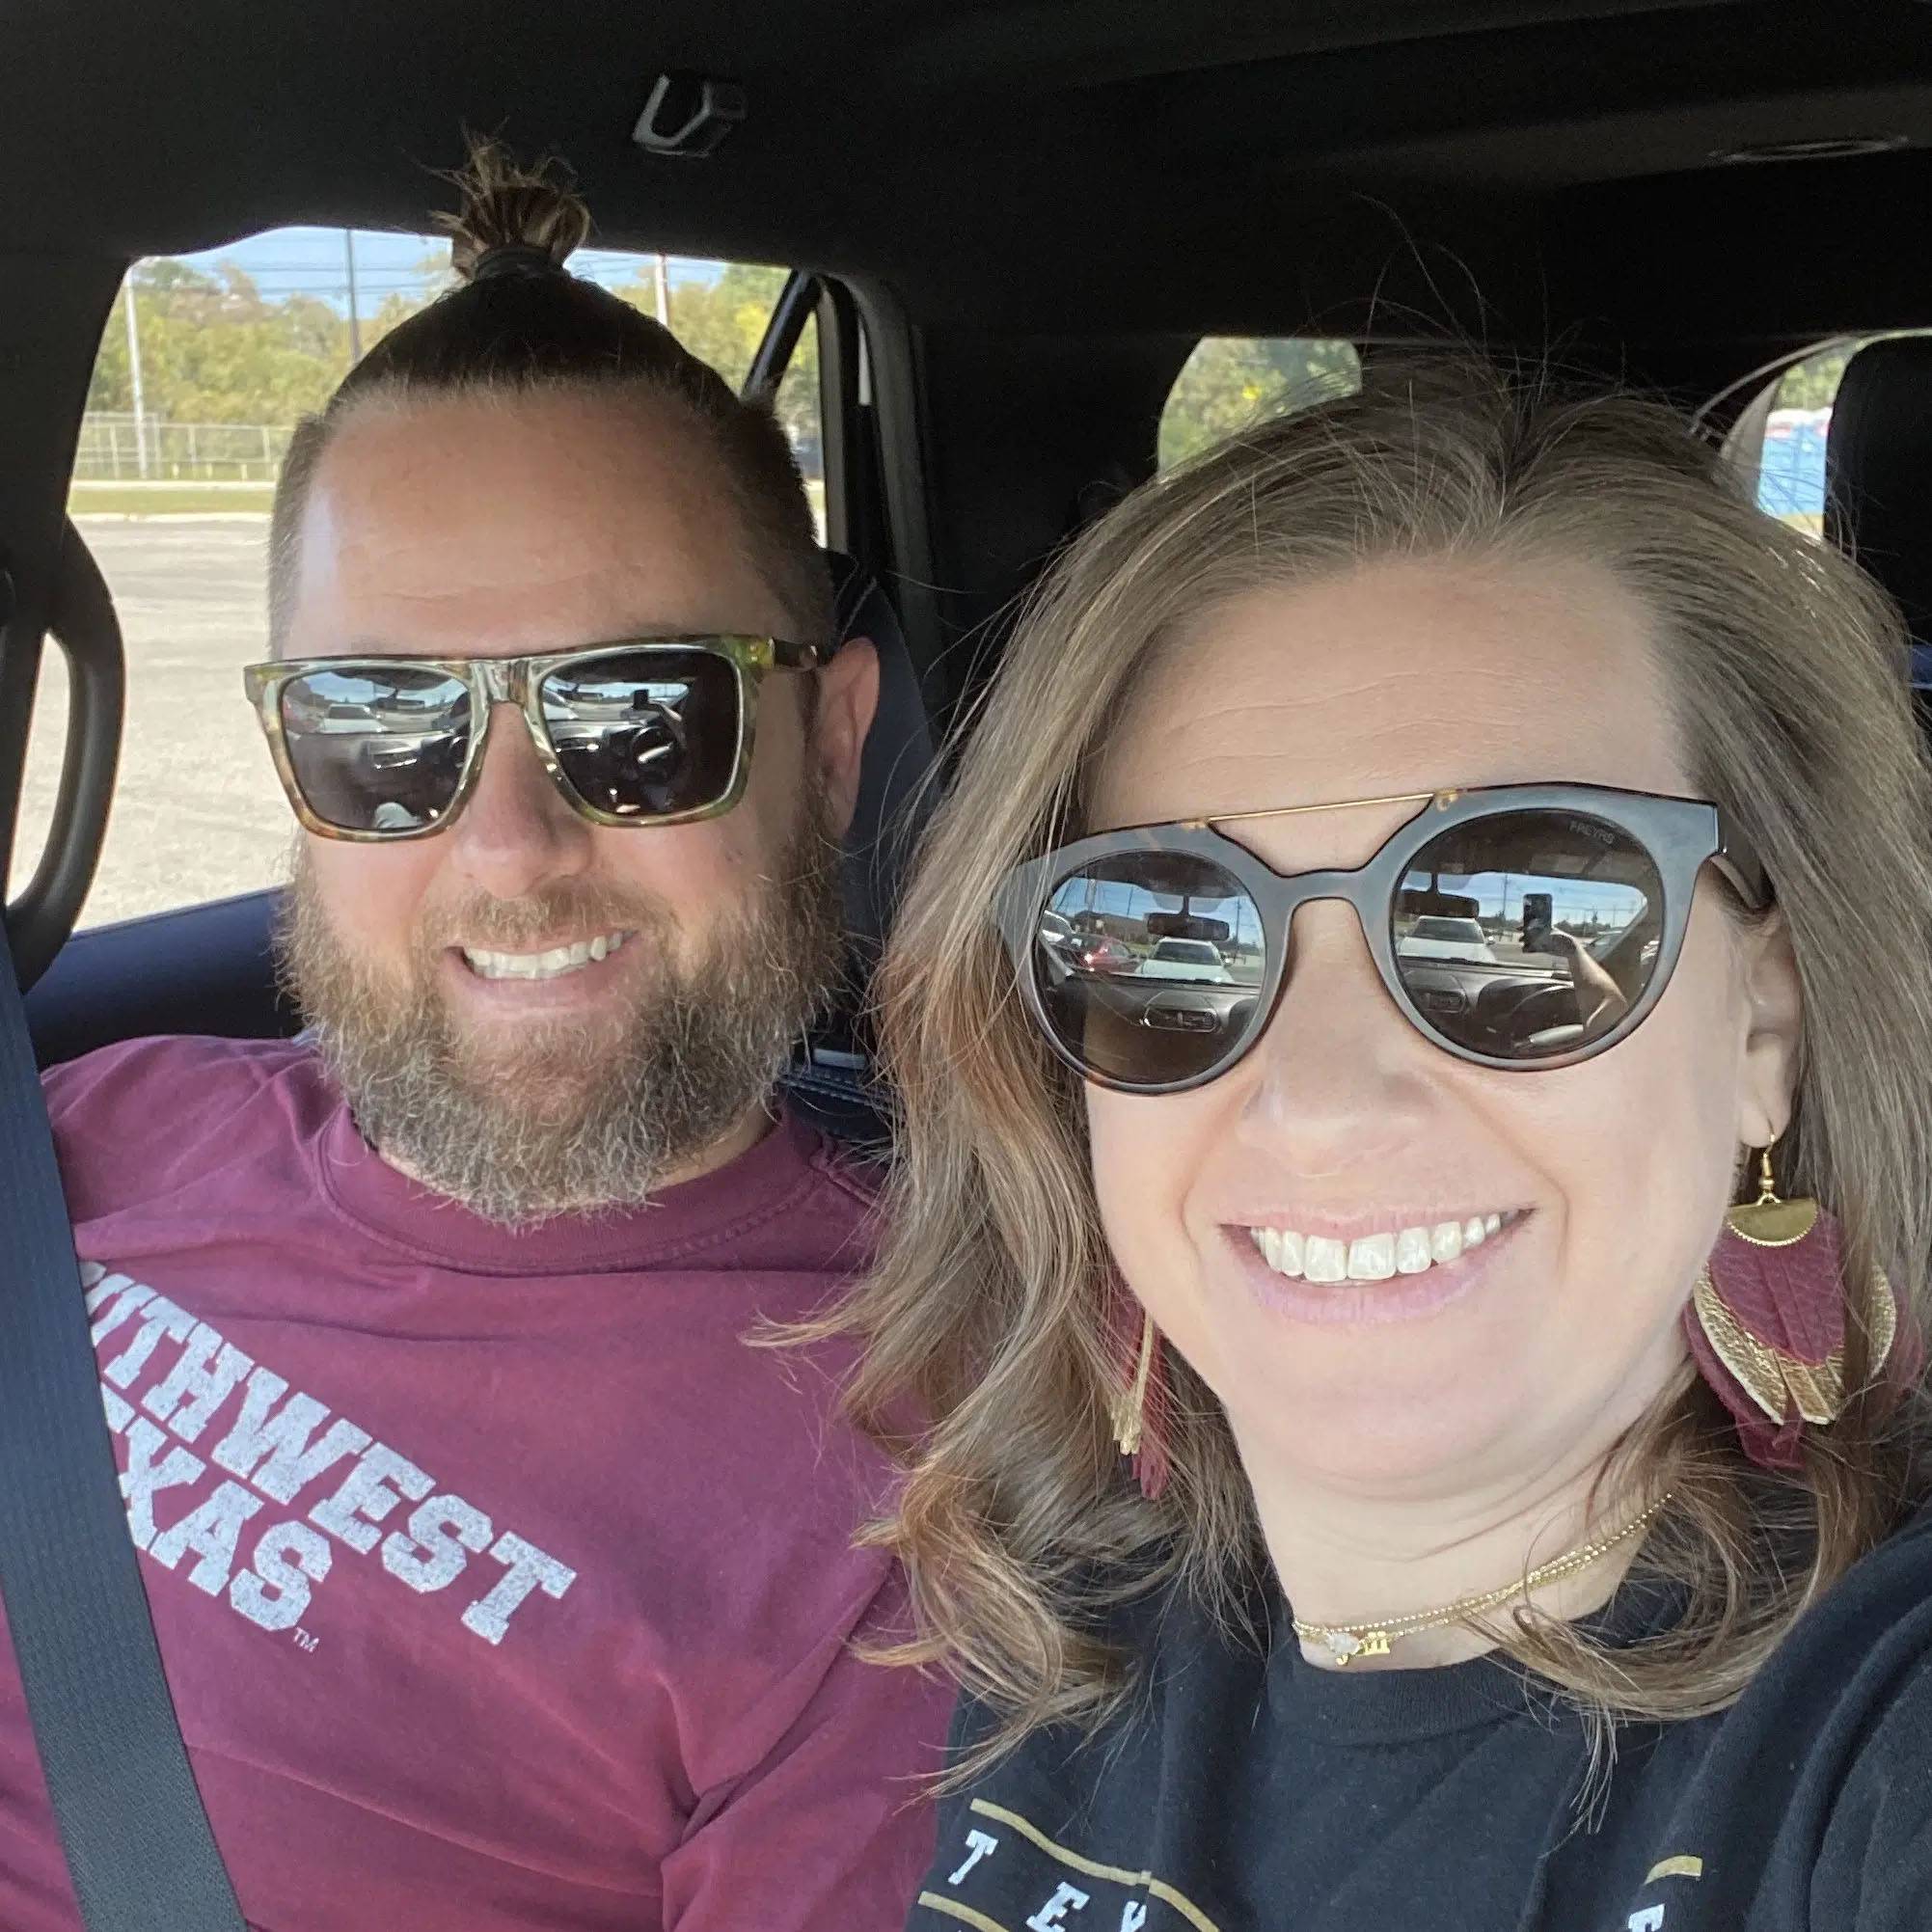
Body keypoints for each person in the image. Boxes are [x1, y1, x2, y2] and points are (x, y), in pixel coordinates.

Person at [830, 359, 1932, 1929]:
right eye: (1173, 933)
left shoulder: (1874, 1743)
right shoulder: (1073, 1625)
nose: (1326, 1097)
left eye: (1526, 921)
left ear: (1764, 1025)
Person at [0, 144, 950, 1930]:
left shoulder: (927, 1470)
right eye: (381, 729)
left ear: (831, 751)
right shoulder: (78, 1131)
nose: (511, 846)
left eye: (640, 715)